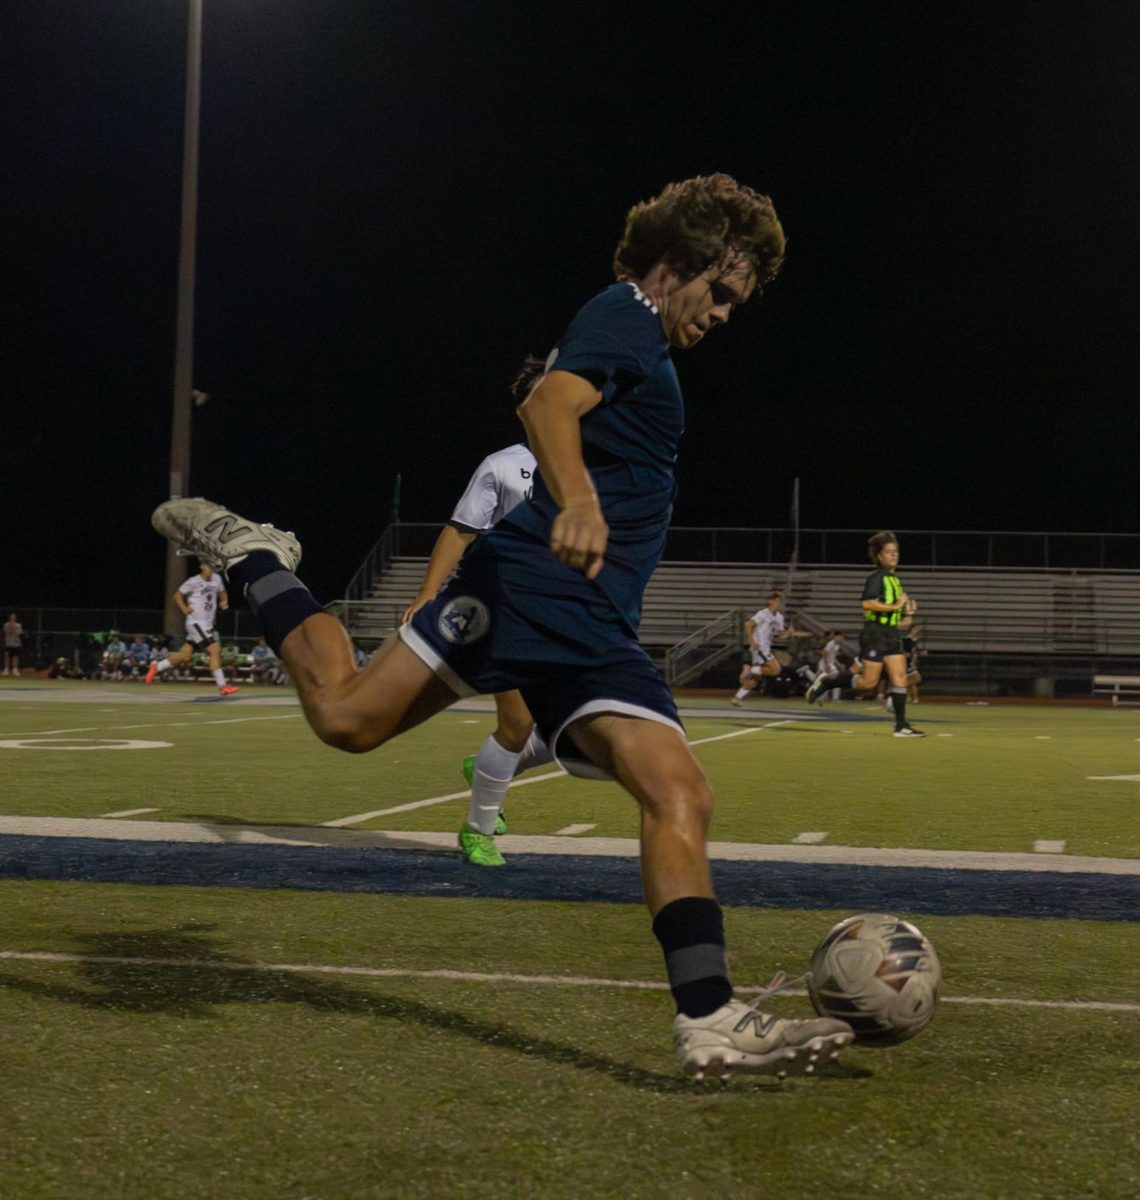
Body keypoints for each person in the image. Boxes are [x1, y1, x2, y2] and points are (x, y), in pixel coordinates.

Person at [152, 173, 852, 1080]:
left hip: (555, 598)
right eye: (718, 291)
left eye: (735, 302)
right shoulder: (629, 310)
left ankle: (256, 558)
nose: (722, 313)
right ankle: (710, 1014)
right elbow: (547, 404)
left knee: (346, 718)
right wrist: (582, 500)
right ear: (679, 264)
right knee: (677, 791)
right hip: (549, 594)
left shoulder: (642, 335)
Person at [401, 442, 553, 867]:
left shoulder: (594, 461)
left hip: (567, 610)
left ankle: (488, 767)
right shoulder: (504, 464)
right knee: (518, 721)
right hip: (509, 606)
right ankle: (479, 831)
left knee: (578, 734)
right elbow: (460, 529)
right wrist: (427, 593)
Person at [806, 531, 924, 737]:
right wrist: (896, 604)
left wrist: (907, 613)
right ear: (879, 556)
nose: (893, 555)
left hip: (891, 634)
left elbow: (891, 613)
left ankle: (901, 726)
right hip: (875, 634)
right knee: (867, 684)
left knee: (900, 677)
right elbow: (867, 603)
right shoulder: (876, 578)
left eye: (895, 552)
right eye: (888, 552)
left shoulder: (895, 580)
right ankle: (828, 682)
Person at [145, 561, 239, 696]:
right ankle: (222, 686)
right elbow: (177, 595)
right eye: (208, 567)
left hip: (207, 624)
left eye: (212, 568)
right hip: (196, 622)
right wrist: (184, 608)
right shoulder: (193, 581)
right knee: (214, 650)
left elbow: (222, 592)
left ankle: (157, 666)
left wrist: (224, 601)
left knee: (185, 656)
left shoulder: (217, 579)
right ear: (202, 567)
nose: (210, 570)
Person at [730, 591, 786, 706]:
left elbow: (779, 633)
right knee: (776, 669)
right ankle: (751, 670)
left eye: (778, 601)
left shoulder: (780, 617)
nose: (777, 603)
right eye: (775, 600)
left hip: (766, 647)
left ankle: (737, 697)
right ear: (770, 601)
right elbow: (748, 624)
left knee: (755, 679)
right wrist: (752, 641)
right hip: (760, 647)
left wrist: (786, 634)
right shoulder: (763, 613)